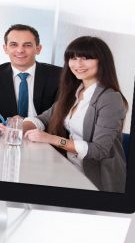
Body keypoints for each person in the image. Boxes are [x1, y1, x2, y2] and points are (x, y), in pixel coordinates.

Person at [43, 36, 128, 191]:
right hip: (70, 167)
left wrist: (51, 139)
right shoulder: (75, 92)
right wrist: (21, 125)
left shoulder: (110, 98)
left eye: (86, 58)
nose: (78, 64)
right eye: (73, 58)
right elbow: (44, 118)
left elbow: (99, 150)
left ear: (101, 62)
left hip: (97, 178)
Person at [0, 23, 63, 135]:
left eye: (27, 45)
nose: (20, 50)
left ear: (38, 49)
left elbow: (62, 113)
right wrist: (8, 128)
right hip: (7, 137)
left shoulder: (58, 75)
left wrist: (33, 130)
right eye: (13, 45)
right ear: (5, 48)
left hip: (46, 137)